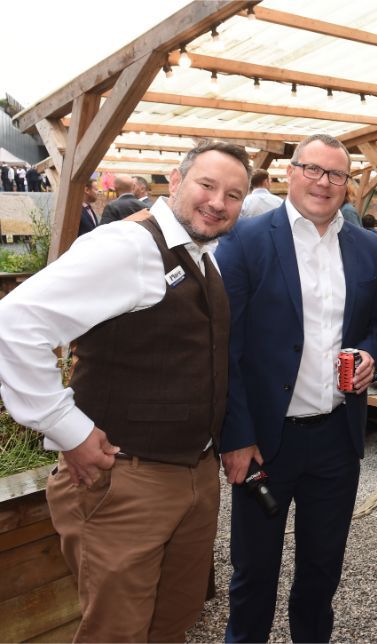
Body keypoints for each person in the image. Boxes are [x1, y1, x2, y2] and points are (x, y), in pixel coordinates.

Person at [0, 140, 252, 641]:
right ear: (175, 182)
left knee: (173, 623)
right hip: (126, 480)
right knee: (116, 633)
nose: (218, 202)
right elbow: (15, 323)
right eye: (207, 185)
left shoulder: (203, 255)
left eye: (233, 195)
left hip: (193, 475)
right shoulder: (128, 246)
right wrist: (68, 428)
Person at [216, 133, 377, 643]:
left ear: (347, 185)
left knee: (322, 569)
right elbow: (226, 346)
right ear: (290, 173)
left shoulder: (364, 245)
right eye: (312, 169)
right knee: (253, 572)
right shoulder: (246, 239)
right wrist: (236, 436)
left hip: (337, 437)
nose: (323, 182)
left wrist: (371, 355)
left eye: (336, 174)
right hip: (266, 441)